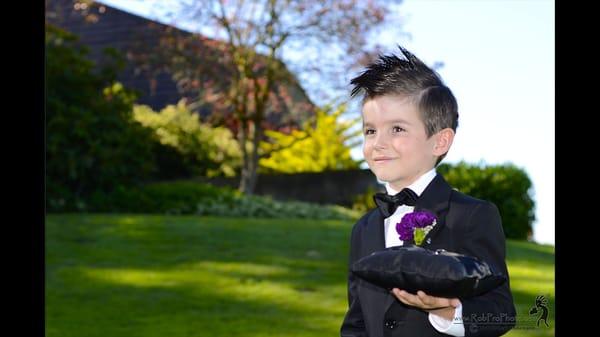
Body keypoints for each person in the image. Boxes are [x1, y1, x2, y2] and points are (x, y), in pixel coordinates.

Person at [340, 46, 516, 337]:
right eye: (370, 131)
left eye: (397, 129)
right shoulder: (364, 228)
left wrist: (446, 312)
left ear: (439, 142)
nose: (378, 143)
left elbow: (500, 312)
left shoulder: (471, 215)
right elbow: (356, 321)